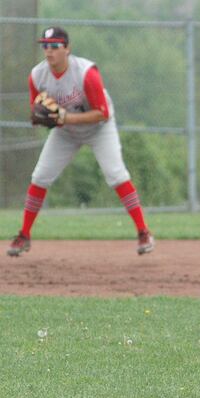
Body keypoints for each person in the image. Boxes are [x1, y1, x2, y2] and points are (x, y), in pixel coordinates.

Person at [7, 26, 155, 257]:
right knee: (40, 177)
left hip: (99, 128)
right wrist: (41, 117)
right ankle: (24, 235)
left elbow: (102, 113)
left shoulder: (86, 73)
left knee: (116, 175)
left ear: (67, 48)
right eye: (45, 46)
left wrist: (66, 117)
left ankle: (143, 232)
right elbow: (35, 113)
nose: (49, 52)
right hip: (66, 132)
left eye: (55, 46)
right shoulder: (37, 76)